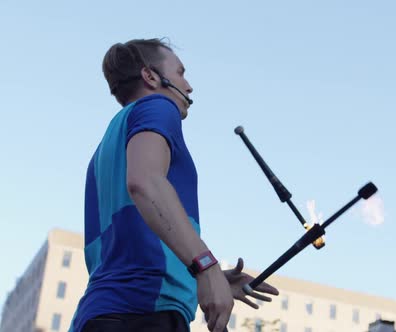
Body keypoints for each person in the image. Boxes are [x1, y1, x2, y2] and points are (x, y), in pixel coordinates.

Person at [70, 38, 279, 332]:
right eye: (180, 72)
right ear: (151, 76)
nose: (189, 85)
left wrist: (199, 278)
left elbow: (132, 246)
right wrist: (205, 266)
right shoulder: (157, 106)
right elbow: (145, 183)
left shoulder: (105, 148)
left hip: (104, 314)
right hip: (142, 314)